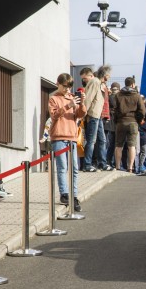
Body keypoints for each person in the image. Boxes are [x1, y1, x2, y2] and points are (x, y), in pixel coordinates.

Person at [48, 73, 87, 212]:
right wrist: (67, 105)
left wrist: (82, 103)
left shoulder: (72, 97)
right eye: (64, 86)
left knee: (74, 168)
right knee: (62, 167)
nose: (67, 90)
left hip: (71, 136)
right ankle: (64, 194)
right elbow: (54, 115)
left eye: (69, 87)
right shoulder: (53, 98)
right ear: (58, 84)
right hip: (58, 137)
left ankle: (74, 195)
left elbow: (81, 115)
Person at [113, 77, 146, 174]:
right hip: (133, 122)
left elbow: (115, 109)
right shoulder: (137, 96)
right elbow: (143, 110)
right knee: (132, 146)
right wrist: (139, 119)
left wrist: (117, 118)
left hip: (120, 122)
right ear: (133, 85)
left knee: (118, 145)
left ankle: (118, 166)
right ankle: (130, 167)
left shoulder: (118, 95)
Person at [79, 66, 106, 172]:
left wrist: (84, 112)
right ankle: (89, 164)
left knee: (98, 140)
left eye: (84, 78)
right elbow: (89, 99)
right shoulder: (95, 82)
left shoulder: (94, 81)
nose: (83, 81)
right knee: (93, 140)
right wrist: (84, 113)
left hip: (95, 114)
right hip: (94, 114)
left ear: (91, 75)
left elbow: (89, 98)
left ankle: (99, 163)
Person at [106, 82, 121, 167]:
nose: (114, 91)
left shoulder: (117, 97)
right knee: (113, 144)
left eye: (116, 89)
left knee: (115, 144)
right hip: (112, 123)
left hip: (116, 123)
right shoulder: (111, 97)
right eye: (113, 89)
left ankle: (113, 161)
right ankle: (110, 161)